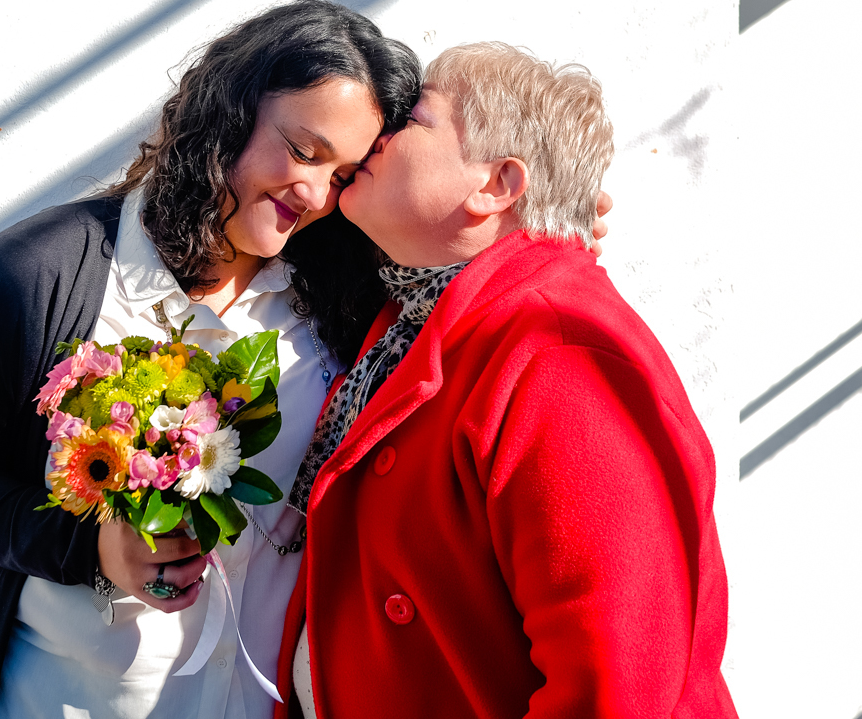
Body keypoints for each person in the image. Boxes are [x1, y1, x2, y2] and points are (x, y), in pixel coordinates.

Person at [0, 0, 424, 719]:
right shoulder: (43, 272)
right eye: (304, 151)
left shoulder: (344, 300)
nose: (313, 194)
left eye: (342, 176)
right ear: (232, 108)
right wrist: (92, 549)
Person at [275, 42, 737, 718]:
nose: (382, 134)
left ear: (495, 185)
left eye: (416, 119)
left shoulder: (559, 356)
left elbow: (614, 685)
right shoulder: (420, 317)